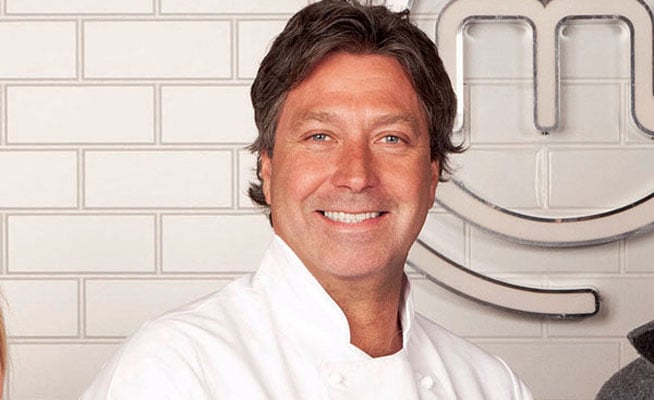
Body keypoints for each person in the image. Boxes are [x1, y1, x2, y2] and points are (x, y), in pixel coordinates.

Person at [82, 1, 533, 398]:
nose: (356, 176)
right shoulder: (176, 370)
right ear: (268, 167)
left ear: (432, 175)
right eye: (320, 136)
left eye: (391, 138)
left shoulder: (490, 385)